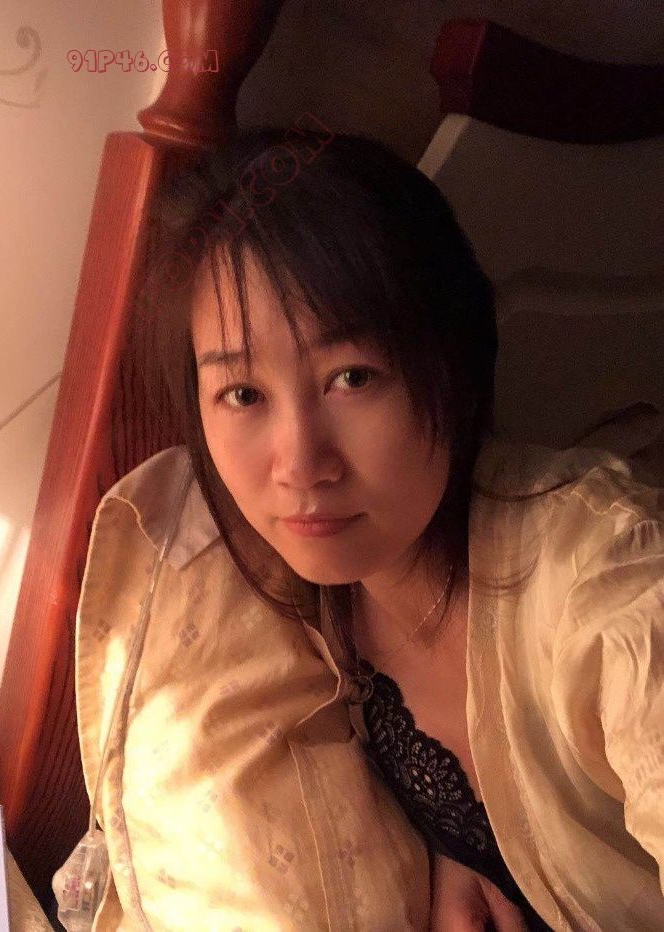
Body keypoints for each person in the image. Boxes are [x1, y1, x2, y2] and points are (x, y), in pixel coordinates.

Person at [142, 126, 664, 930]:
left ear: (450, 368)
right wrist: (450, 852)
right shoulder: (289, 599)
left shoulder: (608, 580)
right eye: (243, 395)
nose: (300, 465)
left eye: (352, 377)